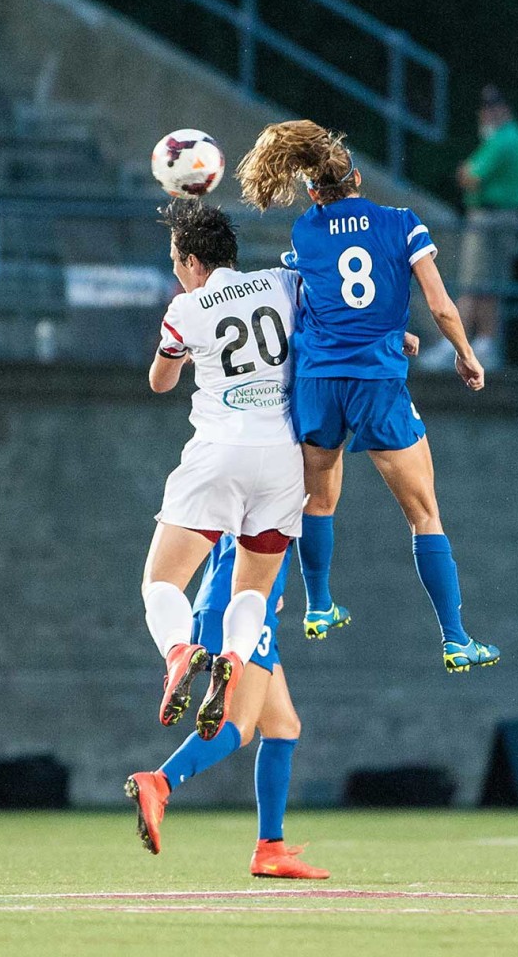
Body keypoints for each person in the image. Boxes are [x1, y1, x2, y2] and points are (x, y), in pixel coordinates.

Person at [236, 119, 499, 672]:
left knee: (318, 501)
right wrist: (464, 353)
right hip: (376, 382)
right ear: (357, 177)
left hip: (317, 384)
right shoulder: (401, 223)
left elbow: (322, 299)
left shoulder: (305, 233)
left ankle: (319, 605)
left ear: (312, 193)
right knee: (424, 513)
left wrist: (385, 331)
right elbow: (442, 304)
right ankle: (454, 638)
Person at [131, 198, 303, 756]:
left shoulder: (186, 309)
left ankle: (180, 652)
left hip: (220, 455)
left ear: (189, 261)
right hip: (283, 460)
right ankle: (232, 657)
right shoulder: (281, 283)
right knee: (252, 590)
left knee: (160, 582)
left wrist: (179, 325)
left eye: (175, 260)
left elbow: (159, 382)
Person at [125, 536, 329, 879]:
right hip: (243, 608)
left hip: (226, 599)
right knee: (239, 725)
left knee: (282, 726)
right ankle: (159, 782)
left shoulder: (243, 484)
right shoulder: (289, 485)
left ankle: (270, 850)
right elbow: (314, 522)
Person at [424, 85, 518, 371]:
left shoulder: (503, 139)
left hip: (489, 219)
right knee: (490, 285)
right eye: (486, 109)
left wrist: (466, 171)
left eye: (492, 108)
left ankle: (455, 346)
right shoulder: (516, 136)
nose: (487, 114)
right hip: (506, 218)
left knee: (473, 284)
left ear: (504, 110)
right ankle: (486, 344)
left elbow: (469, 176)